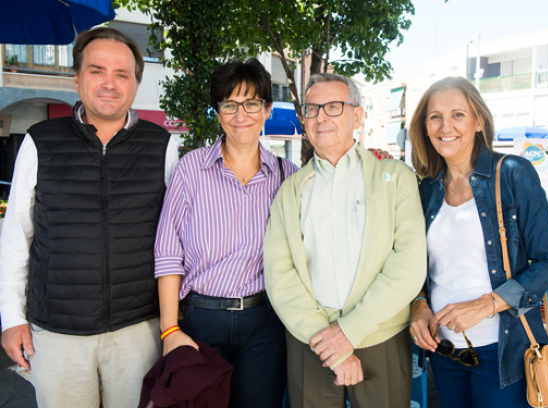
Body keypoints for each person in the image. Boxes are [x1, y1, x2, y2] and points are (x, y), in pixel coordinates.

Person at [0, 27, 179, 408]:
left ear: (135, 84)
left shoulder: (163, 145)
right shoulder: (39, 140)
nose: (109, 84)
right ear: (77, 78)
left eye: (122, 74)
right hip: (56, 332)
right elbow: (17, 236)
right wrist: (10, 318)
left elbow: (176, 238)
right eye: (97, 70)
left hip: (139, 329)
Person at [263, 73, 427, 408]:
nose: (321, 116)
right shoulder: (290, 191)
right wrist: (326, 342)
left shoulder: (394, 178)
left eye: (333, 107)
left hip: (380, 334)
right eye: (311, 109)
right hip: (311, 341)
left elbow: (409, 264)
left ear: (357, 115)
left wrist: (350, 330)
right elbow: (280, 276)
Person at [408, 76, 548, 408]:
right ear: (424, 126)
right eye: (435, 116)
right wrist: (419, 304)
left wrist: (487, 304)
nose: (445, 126)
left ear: (478, 120)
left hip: (502, 350)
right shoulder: (426, 190)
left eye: (458, 114)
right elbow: (419, 268)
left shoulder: (513, 174)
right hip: (445, 351)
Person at [153, 58, 298, 408]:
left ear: (266, 109)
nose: (240, 115)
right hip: (201, 320)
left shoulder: (288, 176)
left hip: (264, 323)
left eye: (251, 104)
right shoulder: (191, 169)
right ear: (218, 113)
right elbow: (167, 253)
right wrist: (169, 330)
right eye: (229, 105)